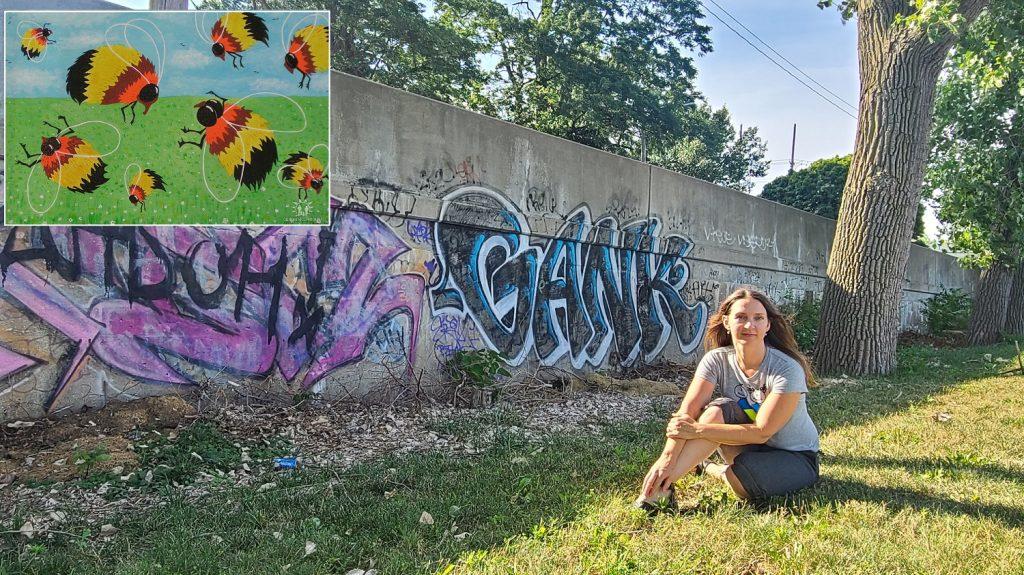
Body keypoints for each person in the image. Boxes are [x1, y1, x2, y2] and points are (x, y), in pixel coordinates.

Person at [636, 287, 820, 508]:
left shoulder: (786, 369)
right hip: (745, 445)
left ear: (768, 325)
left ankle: (712, 469)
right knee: (716, 410)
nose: (749, 325)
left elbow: (763, 432)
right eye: (741, 317)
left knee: (739, 479)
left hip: (795, 456)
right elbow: (687, 414)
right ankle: (659, 491)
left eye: (758, 318)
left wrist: (697, 430)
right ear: (726, 322)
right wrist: (666, 459)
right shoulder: (716, 360)